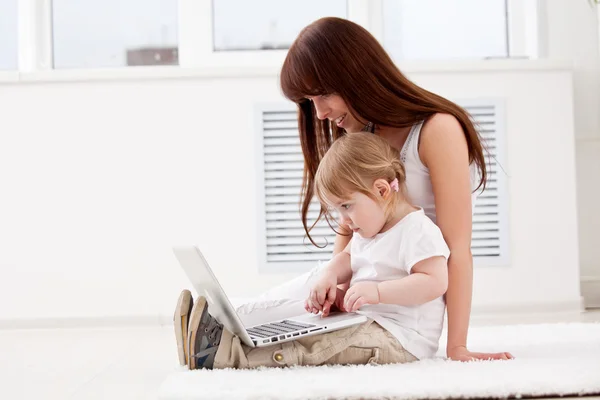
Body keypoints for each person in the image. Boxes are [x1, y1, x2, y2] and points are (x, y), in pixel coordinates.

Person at [275, 17, 513, 362]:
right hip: (372, 282)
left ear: (358, 74)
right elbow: (350, 228)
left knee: (285, 310)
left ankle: (221, 332)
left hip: (406, 296)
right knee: (287, 306)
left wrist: (457, 346)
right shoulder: (363, 133)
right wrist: (336, 286)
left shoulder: (437, 130)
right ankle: (219, 326)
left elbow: (457, 249)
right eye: (310, 101)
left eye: (324, 94)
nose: (321, 113)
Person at [175, 133, 451, 369]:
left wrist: (377, 293)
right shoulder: (372, 228)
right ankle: (220, 333)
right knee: (303, 324)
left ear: (381, 190)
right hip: (369, 320)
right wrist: (330, 275)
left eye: (346, 206)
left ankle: (234, 357)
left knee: (320, 344)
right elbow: (349, 258)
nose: (344, 220)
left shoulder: (417, 229)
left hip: (402, 339)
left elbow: (435, 281)